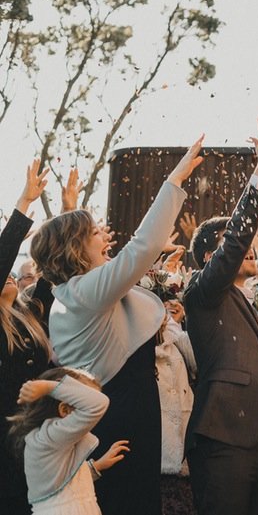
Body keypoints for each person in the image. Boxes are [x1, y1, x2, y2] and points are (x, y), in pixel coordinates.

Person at [31, 138, 203, 515]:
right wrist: (174, 179)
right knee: (127, 502)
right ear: (75, 248)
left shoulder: (83, 289)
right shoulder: (82, 293)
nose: (103, 234)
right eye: (93, 232)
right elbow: (141, 248)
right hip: (117, 410)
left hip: (134, 404)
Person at [183, 117, 258, 515]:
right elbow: (236, 243)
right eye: (238, 244)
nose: (250, 248)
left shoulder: (251, 300)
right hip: (225, 438)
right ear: (213, 257)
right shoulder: (204, 292)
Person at [1, 161, 56, 515]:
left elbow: (53, 270)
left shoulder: (32, 313)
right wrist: (23, 202)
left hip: (39, 432)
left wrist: (68, 208)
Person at [7, 368, 130, 515]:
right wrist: (49, 387)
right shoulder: (50, 437)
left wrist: (96, 467)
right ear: (64, 410)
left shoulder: (52, 439)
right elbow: (98, 403)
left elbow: (63, 483)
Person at [155, 298, 196, 515]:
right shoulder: (134, 348)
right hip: (156, 457)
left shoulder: (175, 340)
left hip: (185, 456)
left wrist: (174, 323)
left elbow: (197, 360)